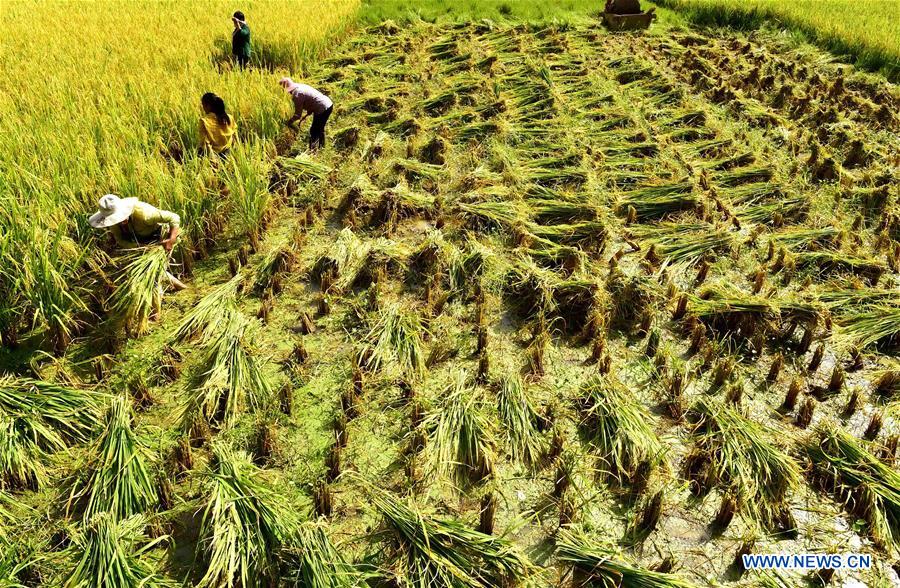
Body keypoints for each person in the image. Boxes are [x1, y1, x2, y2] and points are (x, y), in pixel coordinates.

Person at [89, 194, 187, 290]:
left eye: (120, 217)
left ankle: (176, 284)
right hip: (139, 242)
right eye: (116, 219)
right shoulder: (113, 223)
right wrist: (139, 247)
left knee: (153, 268)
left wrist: (171, 239)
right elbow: (120, 240)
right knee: (143, 269)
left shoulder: (145, 214)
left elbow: (174, 217)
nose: (120, 221)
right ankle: (176, 285)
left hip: (157, 237)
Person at [280, 77, 333, 151]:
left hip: (322, 108)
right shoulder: (301, 87)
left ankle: (313, 151)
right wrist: (310, 110)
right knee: (320, 127)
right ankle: (322, 147)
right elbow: (312, 98)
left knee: (314, 130)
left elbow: (297, 115)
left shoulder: (297, 95)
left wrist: (289, 122)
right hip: (328, 103)